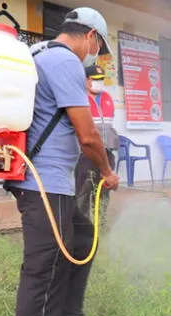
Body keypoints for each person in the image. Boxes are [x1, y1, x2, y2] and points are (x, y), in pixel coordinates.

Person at [3, 7, 120, 316]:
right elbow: (87, 135)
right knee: (45, 269)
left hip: (45, 178)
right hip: (45, 180)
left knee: (81, 237)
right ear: (91, 36)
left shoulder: (38, 52)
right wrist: (107, 172)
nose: (94, 57)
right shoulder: (66, 61)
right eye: (98, 48)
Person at [75, 64, 120, 219]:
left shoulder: (107, 98)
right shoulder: (79, 98)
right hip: (86, 154)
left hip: (106, 153)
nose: (99, 82)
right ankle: (83, 227)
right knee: (83, 192)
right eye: (95, 79)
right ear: (86, 81)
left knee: (104, 191)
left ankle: (99, 223)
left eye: (101, 79)